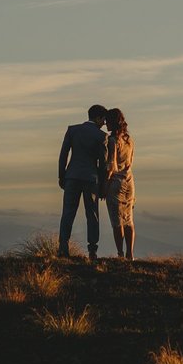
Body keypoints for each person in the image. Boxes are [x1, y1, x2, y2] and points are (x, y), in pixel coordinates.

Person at [58, 104, 107, 260]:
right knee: (92, 215)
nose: (104, 123)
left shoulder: (72, 130)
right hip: (91, 179)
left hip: (72, 176)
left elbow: (63, 155)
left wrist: (62, 176)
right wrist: (102, 185)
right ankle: (92, 250)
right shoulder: (101, 136)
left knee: (67, 213)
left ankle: (63, 247)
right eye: (103, 119)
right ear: (98, 117)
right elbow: (103, 163)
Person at [103, 107, 136, 260]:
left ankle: (120, 254)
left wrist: (104, 187)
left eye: (107, 121)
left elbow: (111, 166)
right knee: (128, 220)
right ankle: (130, 253)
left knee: (117, 222)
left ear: (113, 122)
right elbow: (131, 163)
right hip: (129, 183)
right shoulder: (129, 140)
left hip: (115, 183)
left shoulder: (112, 140)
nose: (105, 124)